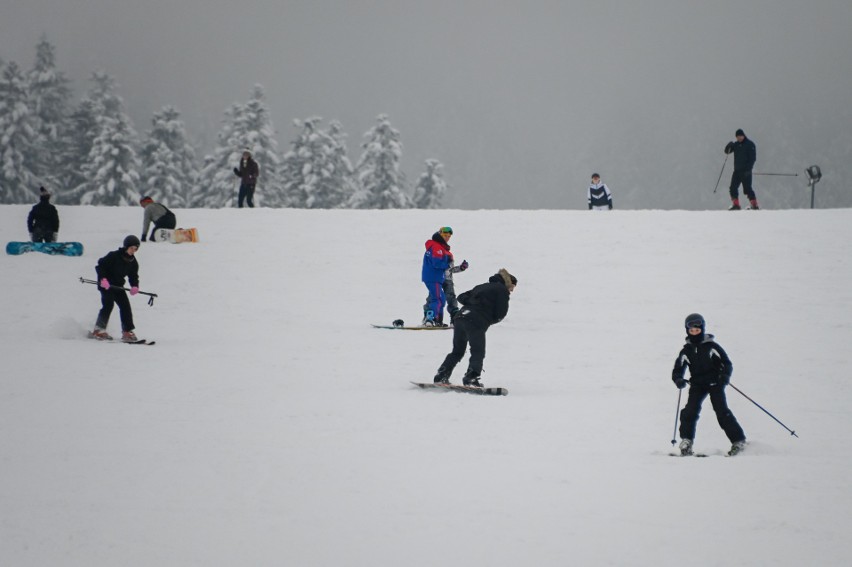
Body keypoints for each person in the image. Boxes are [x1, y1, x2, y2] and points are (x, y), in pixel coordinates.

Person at [672, 313, 747, 456]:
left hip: (715, 383)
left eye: (697, 330)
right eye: (692, 330)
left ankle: (738, 441)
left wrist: (724, 376)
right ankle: (687, 441)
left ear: (702, 329)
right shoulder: (686, 351)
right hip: (697, 385)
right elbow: (677, 370)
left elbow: (727, 363)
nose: (694, 332)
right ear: (687, 331)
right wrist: (678, 380)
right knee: (689, 412)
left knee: (721, 411)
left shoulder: (711, 347)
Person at [433, 269, 517, 387]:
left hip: (460, 318)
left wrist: (474, 302)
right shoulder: (502, 290)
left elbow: (461, 297)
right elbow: (501, 313)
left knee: (457, 351)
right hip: (475, 321)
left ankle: (441, 375)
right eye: (512, 287)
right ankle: (471, 378)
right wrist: (487, 318)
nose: (512, 290)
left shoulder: (481, 287)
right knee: (478, 351)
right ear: (508, 283)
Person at [90, 235, 142, 342]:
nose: (133, 251)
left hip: (118, 286)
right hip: (106, 285)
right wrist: (103, 279)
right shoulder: (113, 256)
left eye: (135, 249)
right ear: (126, 247)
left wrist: (135, 286)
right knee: (108, 304)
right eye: (131, 248)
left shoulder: (133, 262)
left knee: (125, 306)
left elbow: (133, 276)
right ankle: (98, 329)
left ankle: (127, 331)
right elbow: (100, 266)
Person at [421, 226, 454, 327]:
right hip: (433, 277)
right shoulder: (437, 247)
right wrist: (447, 263)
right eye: (445, 235)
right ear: (440, 234)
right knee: (438, 298)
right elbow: (436, 263)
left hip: (435, 277)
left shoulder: (438, 246)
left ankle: (437, 321)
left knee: (441, 299)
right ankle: (429, 319)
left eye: (449, 236)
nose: (447, 238)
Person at [724, 129, 759, 210]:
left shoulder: (750, 144)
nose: (739, 138)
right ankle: (736, 205)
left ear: (743, 135)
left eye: (740, 136)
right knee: (733, 188)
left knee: (747, 189)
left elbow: (752, 159)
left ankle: (754, 205)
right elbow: (727, 151)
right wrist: (729, 145)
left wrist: (748, 169)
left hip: (746, 171)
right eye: (737, 137)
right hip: (737, 171)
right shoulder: (736, 145)